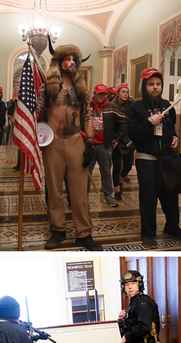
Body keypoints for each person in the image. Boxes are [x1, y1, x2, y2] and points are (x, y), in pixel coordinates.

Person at [40, 39, 101, 250]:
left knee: (79, 191)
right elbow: (37, 112)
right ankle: (57, 230)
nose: (70, 63)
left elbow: (88, 114)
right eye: (66, 59)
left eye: (73, 59)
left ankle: (83, 233)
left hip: (77, 141)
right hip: (52, 142)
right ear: (59, 62)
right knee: (54, 190)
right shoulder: (47, 87)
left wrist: (91, 141)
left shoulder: (81, 88)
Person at [128, 68, 181, 246]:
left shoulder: (167, 105)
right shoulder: (136, 107)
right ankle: (148, 233)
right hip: (146, 159)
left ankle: (173, 226)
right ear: (144, 86)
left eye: (158, 84)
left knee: (171, 195)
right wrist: (149, 123)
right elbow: (132, 133)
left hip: (167, 160)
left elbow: (171, 128)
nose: (155, 87)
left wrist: (175, 137)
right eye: (151, 84)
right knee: (148, 197)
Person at [89, 83, 118, 207]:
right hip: (89, 145)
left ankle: (108, 196)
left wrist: (116, 139)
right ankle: (82, 197)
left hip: (104, 145)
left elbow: (120, 123)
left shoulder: (111, 107)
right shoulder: (88, 106)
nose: (102, 96)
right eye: (99, 94)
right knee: (86, 172)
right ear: (94, 94)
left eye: (104, 94)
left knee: (106, 171)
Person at [104, 83, 134, 201]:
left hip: (128, 139)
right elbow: (110, 124)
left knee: (128, 164)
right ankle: (117, 190)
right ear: (118, 93)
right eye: (123, 92)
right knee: (117, 166)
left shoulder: (132, 104)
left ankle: (122, 177)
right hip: (117, 139)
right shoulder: (112, 105)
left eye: (127, 92)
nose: (125, 94)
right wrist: (113, 139)